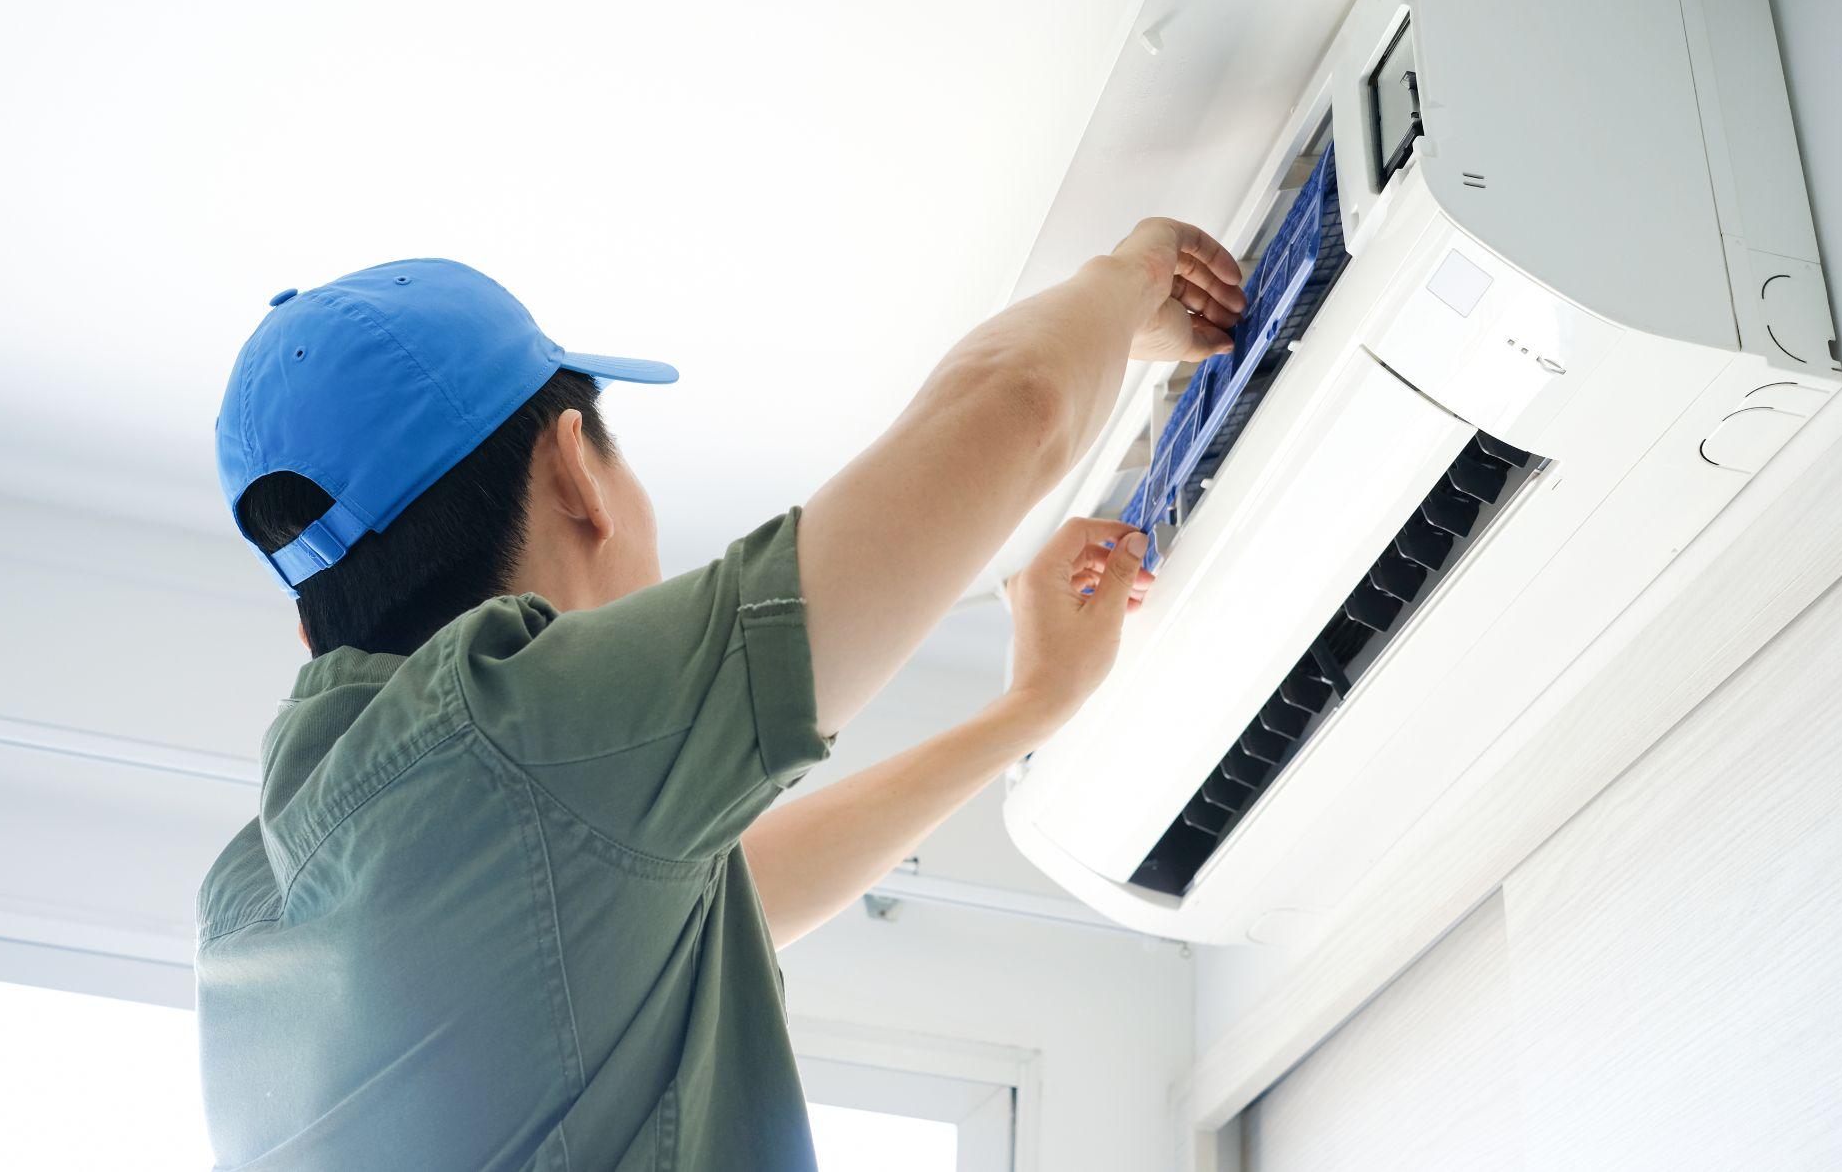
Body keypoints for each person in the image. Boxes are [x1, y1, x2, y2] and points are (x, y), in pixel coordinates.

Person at [195, 219, 1244, 1170]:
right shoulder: (516, 736)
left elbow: (710, 886)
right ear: (576, 474)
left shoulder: (258, 903)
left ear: (310, 622)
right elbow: (1010, 414)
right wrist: (1126, 281)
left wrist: (1027, 710)